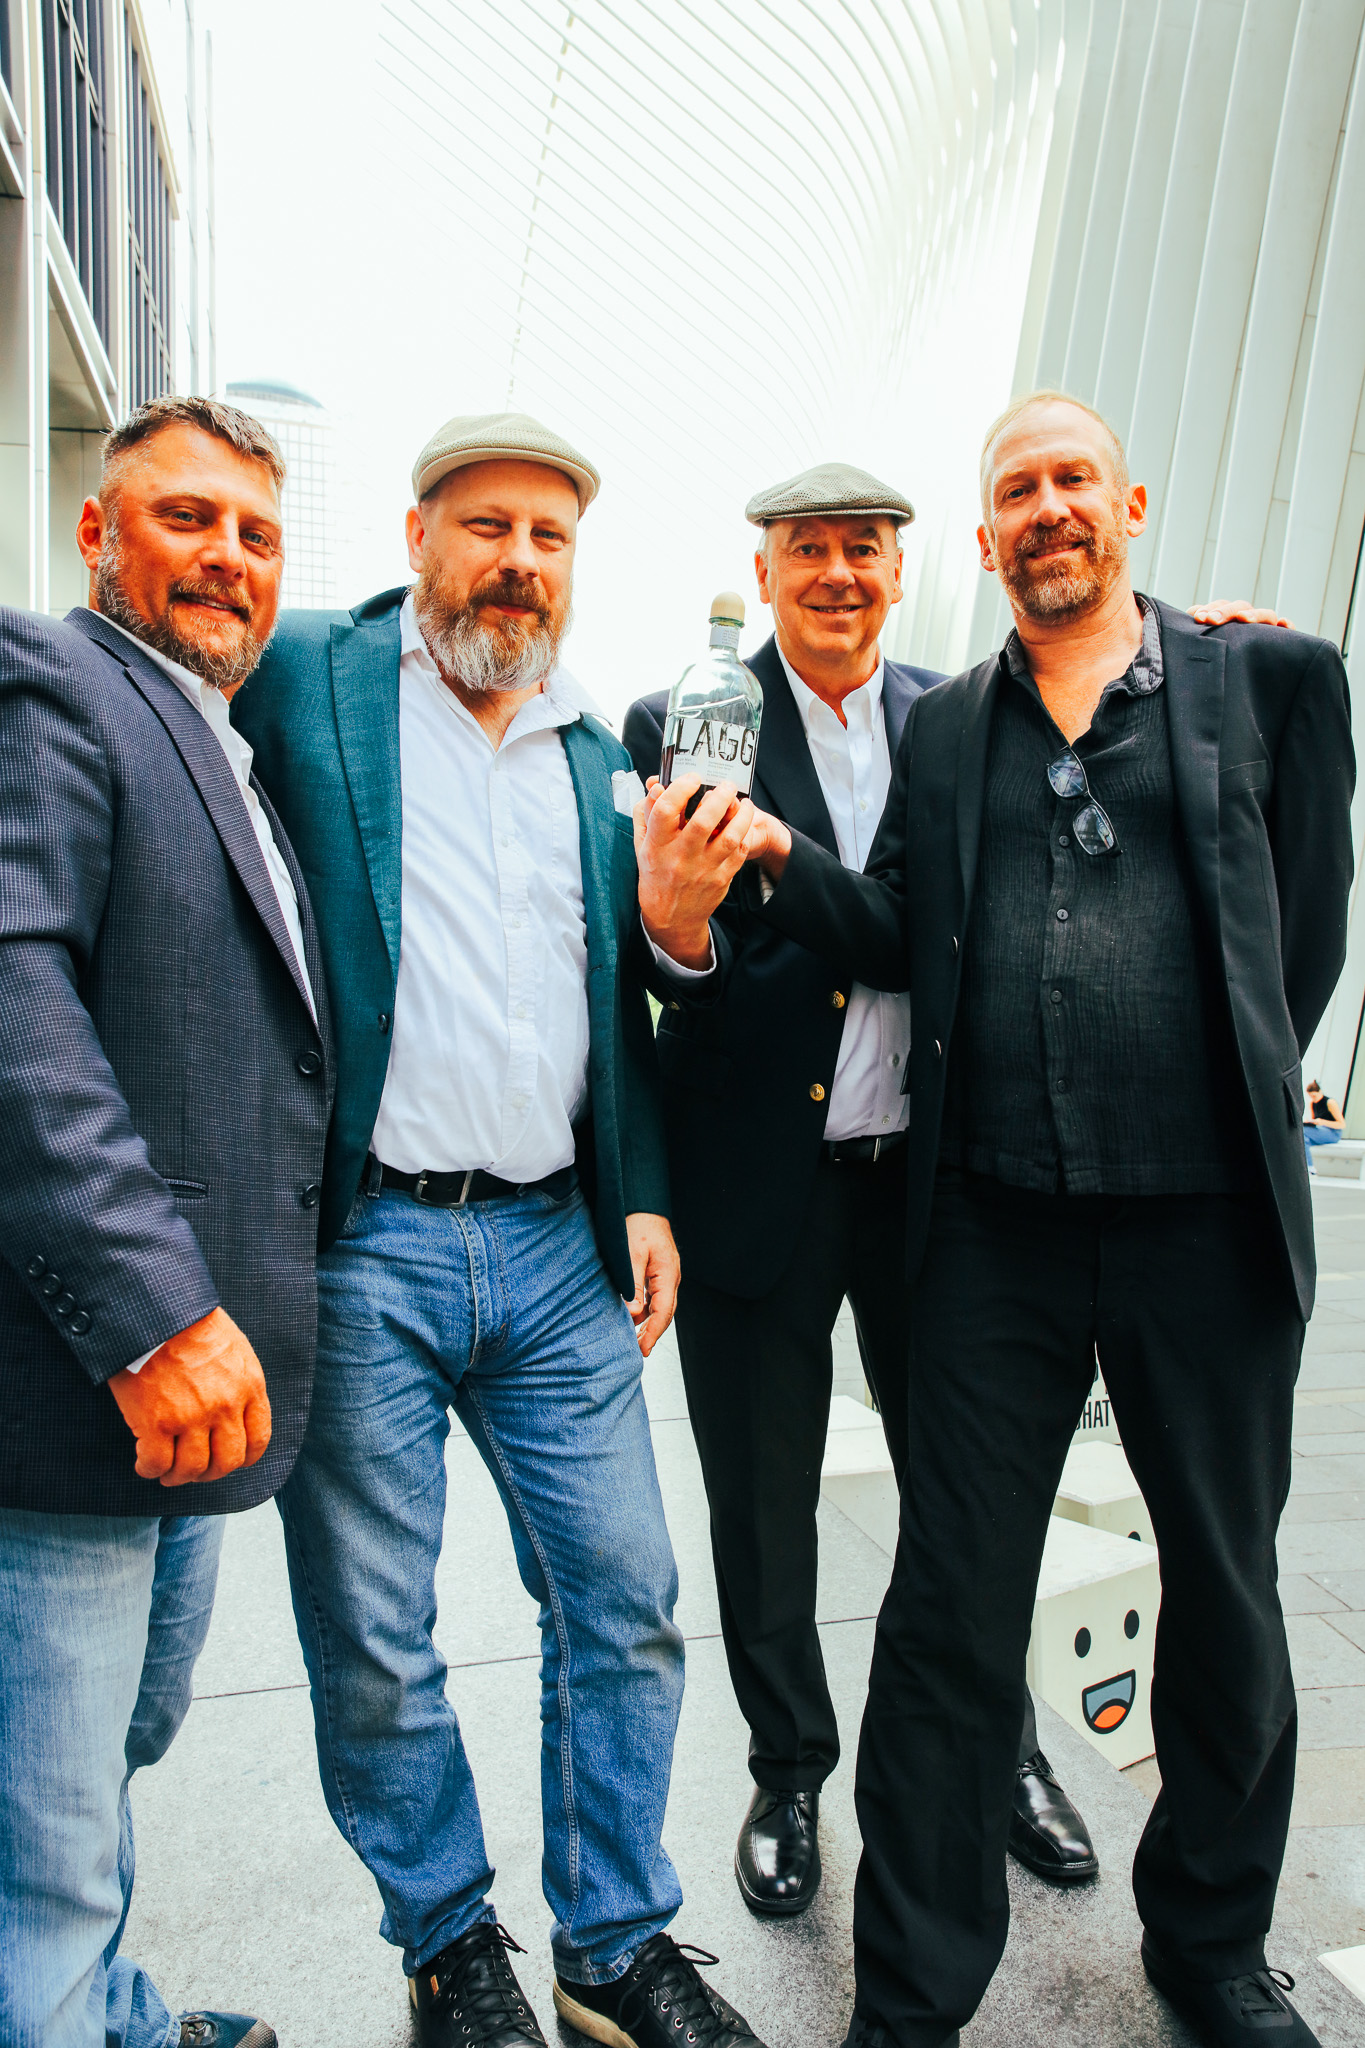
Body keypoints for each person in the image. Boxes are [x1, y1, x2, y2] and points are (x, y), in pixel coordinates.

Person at [718, 391, 1352, 2048]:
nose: (1049, 506)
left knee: (1224, 1590)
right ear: (986, 534)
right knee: (945, 1611)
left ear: (1128, 502)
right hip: (991, 1229)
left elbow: (1303, 944)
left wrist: (1216, 1085)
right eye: (1018, 489)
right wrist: (772, 855)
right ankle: (913, 1996)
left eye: (1074, 478)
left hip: (1205, 1226)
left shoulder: (1271, 679)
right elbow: (904, 934)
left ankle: (1210, 1941)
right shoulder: (948, 732)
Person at [232, 411, 760, 2048]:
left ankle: (611, 1941)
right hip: (362, 1243)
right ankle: (451, 1939)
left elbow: (629, 997)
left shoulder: (606, 755)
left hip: (552, 1247)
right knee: (376, 1630)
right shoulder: (304, 681)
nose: (518, 562)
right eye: (487, 526)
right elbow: (134, 665)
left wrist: (648, 1179)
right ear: (416, 537)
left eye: (550, 537)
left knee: (625, 1592)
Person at [622, 463, 1097, 1912]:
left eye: (863, 551)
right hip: (755, 1176)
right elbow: (659, 968)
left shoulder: (962, 717)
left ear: (903, 573)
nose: (836, 573)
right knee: (759, 1504)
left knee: (974, 1487)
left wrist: (781, 866)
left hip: (936, 1189)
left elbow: (938, 938)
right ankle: (788, 1771)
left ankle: (999, 1744)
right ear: (760, 573)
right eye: (807, 550)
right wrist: (681, 926)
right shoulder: (680, 722)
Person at [0, 395, 332, 2048]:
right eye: (188, 518)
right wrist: (150, 1312)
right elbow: (12, 993)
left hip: (181, 1402)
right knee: (42, 1826)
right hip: (80, 1387)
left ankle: (101, 2007)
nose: (228, 556)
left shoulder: (214, 734)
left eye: (259, 534)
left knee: (107, 1757)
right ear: (98, 534)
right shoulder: (48, 679)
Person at [1303, 1080, 1345, 1168]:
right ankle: (1309, 1167)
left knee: (1303, 1131)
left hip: (1333, 1133)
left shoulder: (1330, 1102)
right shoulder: (1313, 1103)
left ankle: (1309, 1166)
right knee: (1303, 1139)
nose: (1313, 1098)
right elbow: (1315, 1121)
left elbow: (1341, 1124)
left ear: (1320, 1092)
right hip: (1321, 1131)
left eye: (1314, 1096)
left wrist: (1322, 1122)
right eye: (1310, 1096)